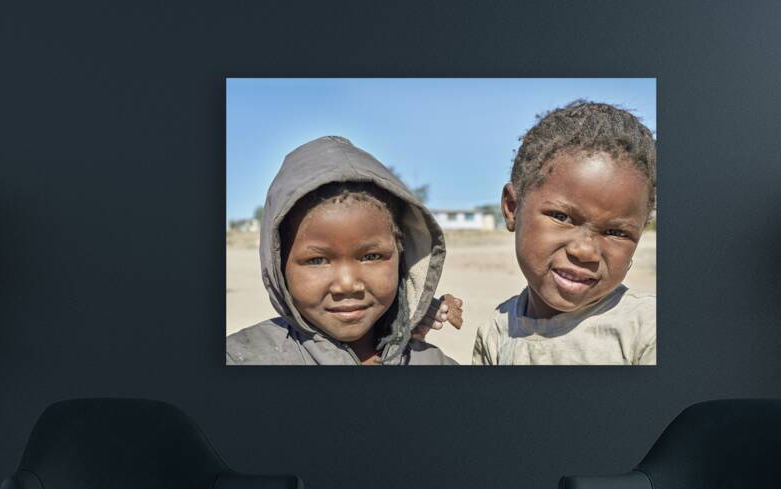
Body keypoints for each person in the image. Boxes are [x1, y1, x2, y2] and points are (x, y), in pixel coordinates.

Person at [226, 135, 462, 366]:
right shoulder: (241, 359)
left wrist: (407, 319)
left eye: (371, 257)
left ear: (402, 258)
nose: (348, 284)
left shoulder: (435, 363)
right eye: (317, 260)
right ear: (279, 267)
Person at [472, 100, 656, 365]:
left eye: (616, 232)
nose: (585, 251)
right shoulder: (497, 332)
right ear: (513, 208)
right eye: (562, 217)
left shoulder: (646, 329)